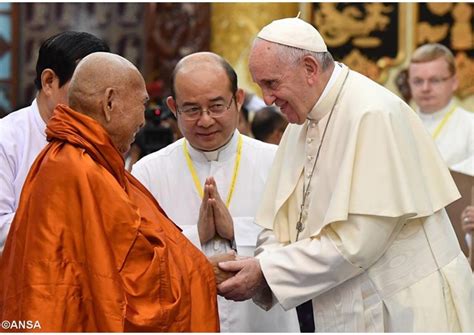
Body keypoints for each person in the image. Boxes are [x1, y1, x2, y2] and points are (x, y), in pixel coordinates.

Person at [217, 17, 474, 332]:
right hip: (341, 305)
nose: (268, 100)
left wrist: (267, 271)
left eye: (271, 84)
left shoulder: (373, 114)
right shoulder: (300, 122)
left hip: (403, 310)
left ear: (310, 68)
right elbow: (279, 220)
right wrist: (263, 263)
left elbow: (358, 242)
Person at [0, 52, 219, 332]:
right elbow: (135, 282)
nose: (143, 120)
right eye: (142, 103)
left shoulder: (75, 160)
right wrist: (200, 272)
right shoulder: (79, 170)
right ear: (109, 103)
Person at [132, 52, 299, 332]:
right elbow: (138, 263)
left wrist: (236, 233)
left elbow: (303, 245)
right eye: (192, 109)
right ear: (173, 107)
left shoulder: (278, 161)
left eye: (217, 106)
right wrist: (198, 238)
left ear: (239, 99)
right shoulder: (147, 173)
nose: (206, 120)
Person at [0, 31, 110, 253]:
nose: (94, 102)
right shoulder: (6, 138)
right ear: (49, 81)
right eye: (83, 90)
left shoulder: (104, 141)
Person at [408, 43, 474, 172]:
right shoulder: (398, 124)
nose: (425, 88)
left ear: (454, 82)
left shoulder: (470, 125)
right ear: (409, 83)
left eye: (435, 80)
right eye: (418, 81)